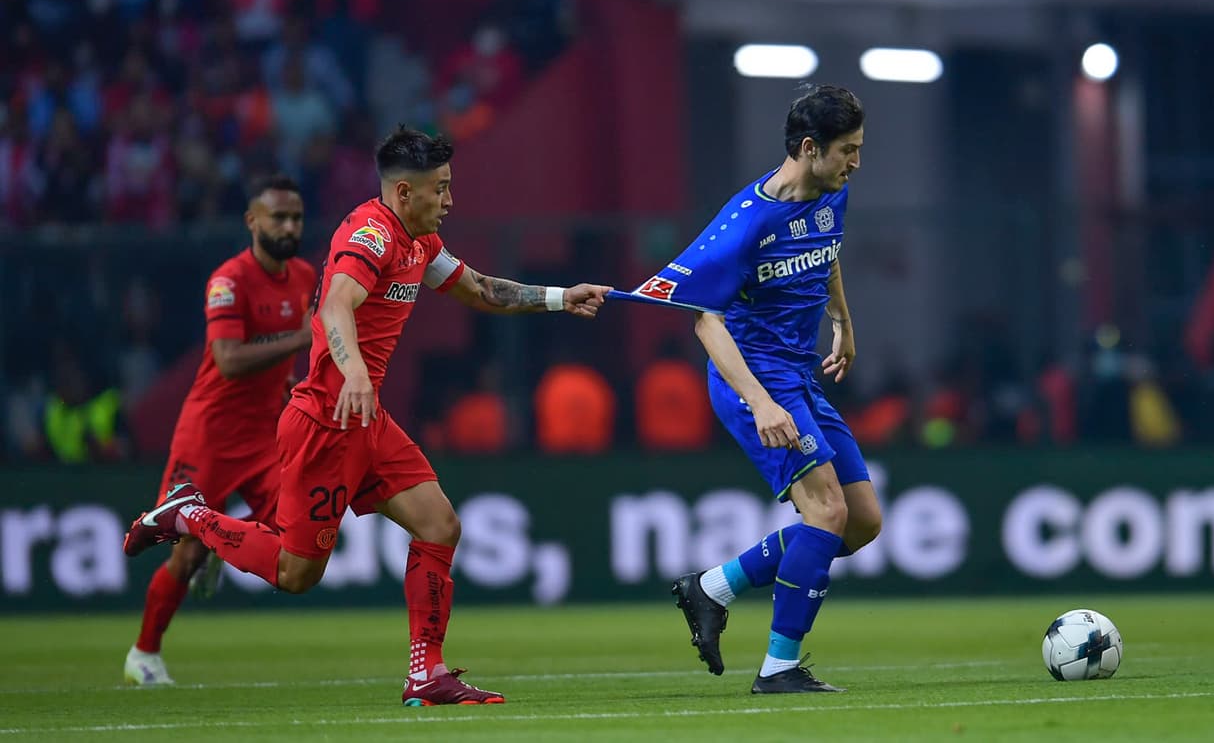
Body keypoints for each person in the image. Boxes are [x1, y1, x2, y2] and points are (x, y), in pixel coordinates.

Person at [123, 126, 612, 706]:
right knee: (296, 574)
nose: (450, 200)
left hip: (368, 420)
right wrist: (352, 369)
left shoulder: (420, 243)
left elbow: (480, 290)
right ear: (405, 192)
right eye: (442, 188)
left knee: (440, 526)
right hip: (326, 421)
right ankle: (190, 516)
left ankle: (426, 674)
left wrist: (560, 297)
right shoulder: (371, 235)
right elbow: (336, 303)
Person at [611, 84, 882, 693]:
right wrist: (760, 402)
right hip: (754, 379)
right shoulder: (746, 223)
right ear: (810, 148)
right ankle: (779, 668)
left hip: (800, 373)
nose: (856, 162)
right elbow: (705, 320)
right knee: (826, 510)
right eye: (848, 150)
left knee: (861, 521)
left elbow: (827, 249)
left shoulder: (829, 191)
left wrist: (842, 320)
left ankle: (711, 588)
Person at [124, 176, 315, 686]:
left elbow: (282, 358)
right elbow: (228, 361)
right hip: (208, 432)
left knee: (295, 532)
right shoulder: (228, 280)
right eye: (279, 217)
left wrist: (290, 382)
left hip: (264, 433)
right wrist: (302, 337)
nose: (290, 226)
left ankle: (216, 539)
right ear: (252, 221)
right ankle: (144, 654)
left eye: (296, 217)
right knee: (183, 555)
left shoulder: (303, 276)